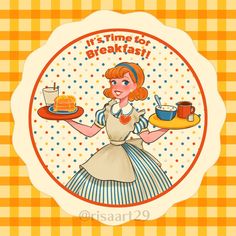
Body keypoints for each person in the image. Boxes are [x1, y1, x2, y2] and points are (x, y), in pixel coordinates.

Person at [65, 62, 172, 205]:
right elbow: (90, 132)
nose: (117, 87)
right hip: (108, 153)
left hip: (129, 156)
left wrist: (167, 127)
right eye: (114, 82)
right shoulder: (107, 110)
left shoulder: (135, 115)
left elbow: (147, 138)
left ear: (135, 86)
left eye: (125, 82)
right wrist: (69, 120)